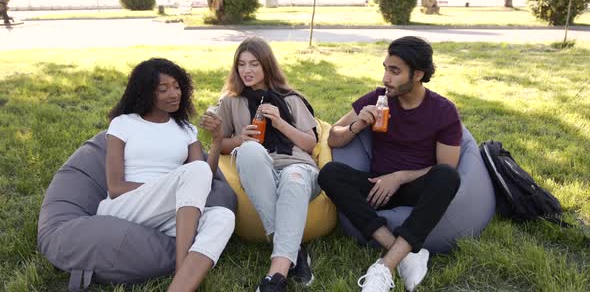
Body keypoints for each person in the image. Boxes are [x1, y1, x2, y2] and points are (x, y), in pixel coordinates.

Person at [318, 36, 462, 292]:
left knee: (447, 178)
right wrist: (358, 124)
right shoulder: (378, 98)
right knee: (329, 173)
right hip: (376, 187)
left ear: (417, 74)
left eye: (395, 71)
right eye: (385, 68)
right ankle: (406, 254)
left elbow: (448, 166)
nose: (386, 78)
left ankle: (384, 267)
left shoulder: (443, 111)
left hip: (415, 188)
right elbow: (334, 138)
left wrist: (399, 177)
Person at [96, 58, 235, 292]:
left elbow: (203, 179)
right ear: (145, 93)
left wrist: (218, 140)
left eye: (177, 86)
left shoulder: (186, 129)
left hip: (167, 212)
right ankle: (183, 269)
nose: (174, 94)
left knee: (223, 217)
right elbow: (115, 187)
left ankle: (179, 288)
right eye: (163, 89)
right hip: (125, 206)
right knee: (194, 172)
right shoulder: (123, 124)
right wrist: (168, 188)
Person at [216, 36, 319, 292]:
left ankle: (276, 274)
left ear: (267, 66)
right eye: (241, 64)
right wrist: (240, 139)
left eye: (254, 64)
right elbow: (219, 145)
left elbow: (310, 145)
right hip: (259, 170)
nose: (247, 71)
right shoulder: (231, 102)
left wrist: (280, 123)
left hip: (298, 167)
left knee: (293, 177)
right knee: (249, 149)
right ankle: (294, 251)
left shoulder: (291, 98)